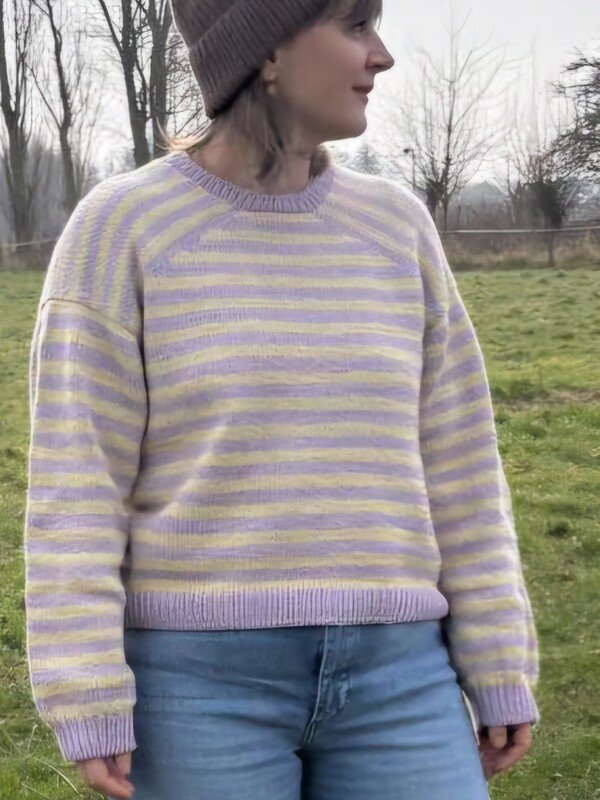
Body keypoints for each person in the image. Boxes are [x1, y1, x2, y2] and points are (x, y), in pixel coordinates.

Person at [23, 1, 541, 798]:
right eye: (356, 25)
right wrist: (84, 685)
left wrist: (499, 655)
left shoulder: (398, 228)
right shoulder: (122, 229)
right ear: (264, 51)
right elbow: (78, 485)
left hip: (402, 679)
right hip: (197, 689)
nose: (381, 56)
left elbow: (463, 463)